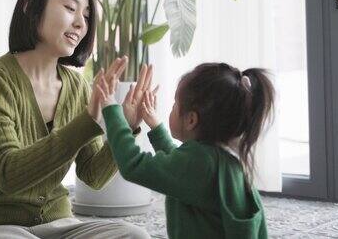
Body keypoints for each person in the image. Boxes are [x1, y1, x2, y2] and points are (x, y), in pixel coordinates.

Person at [0, 0, 150, 238]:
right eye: (70, 8)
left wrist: (124, 128)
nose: (81, 23)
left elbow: (93, 176)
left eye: (86, 15)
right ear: (30, 7)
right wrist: (87, 122)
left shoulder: (78, 86)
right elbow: (8, 175)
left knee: (134, 236)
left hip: (59, 225)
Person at [95, 62, 275, 239]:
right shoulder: (222, 159)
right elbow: (178, 166)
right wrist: (155, 126)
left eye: (175, 105)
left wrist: (111, 108)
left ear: (191, 120)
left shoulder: (199, 163)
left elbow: (133, 164)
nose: (171, 109)